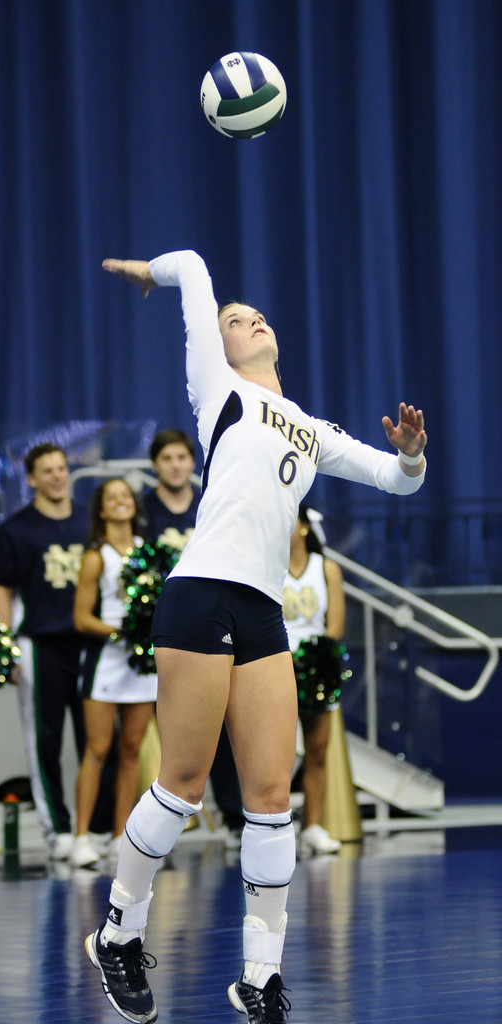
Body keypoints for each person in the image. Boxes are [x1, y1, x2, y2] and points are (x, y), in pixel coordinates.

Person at [82, 250, 427, 1024]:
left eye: (255, 315)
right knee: (183, 783)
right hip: (200, 594)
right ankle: (118, 932)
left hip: (263, 610)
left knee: (273, 797)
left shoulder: (306, 425)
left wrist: (410, 450)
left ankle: (261, 979)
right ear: (218, 342)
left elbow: (398, 479)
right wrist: (150, 273)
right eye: (235, 320)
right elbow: (194, 267)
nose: (250, 321)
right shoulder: (220, 390)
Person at [0, 443, 113, 862]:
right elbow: (2, 590)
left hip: (91, 643)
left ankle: (94, 827)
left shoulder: (90, 523)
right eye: (47, 471)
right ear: (31, 479)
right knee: (44, 738)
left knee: (96, 740)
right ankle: (57, 830)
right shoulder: (16, 529)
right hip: (40, 644)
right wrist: (4, 646)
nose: (57, 476)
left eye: (62, 468)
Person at [142, 428, 245, 844]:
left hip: (211, 624)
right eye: (166, 459)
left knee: (220, 723)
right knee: (158, 728)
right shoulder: (142, 510)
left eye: (182, 457)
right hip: (159, 628)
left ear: (193, 461)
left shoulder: (210, 502)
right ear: (155, 465)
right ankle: (148, 825)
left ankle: (235, 816)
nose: (176, 465)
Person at [72, 478, 157, 869]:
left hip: (139, 665)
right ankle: (82, 836)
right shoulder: (96, 556)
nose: (121, 501)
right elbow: (80, 617)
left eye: (126, 496)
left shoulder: (147, 553)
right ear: (102, 510)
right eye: (112, 497)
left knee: (131, 750)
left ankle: (121, 834)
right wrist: (122, 632)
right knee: (97, 749)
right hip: (106, 660)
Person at [283, 505, 345, 856]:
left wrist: (313, 659)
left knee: (317, 751)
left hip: (318, 668)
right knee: (279, 753)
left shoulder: (327, 568)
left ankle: (314, 827)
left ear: (305, 526)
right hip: (276, 666)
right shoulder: (268, 567)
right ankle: (270, 825)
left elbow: (334, 625)